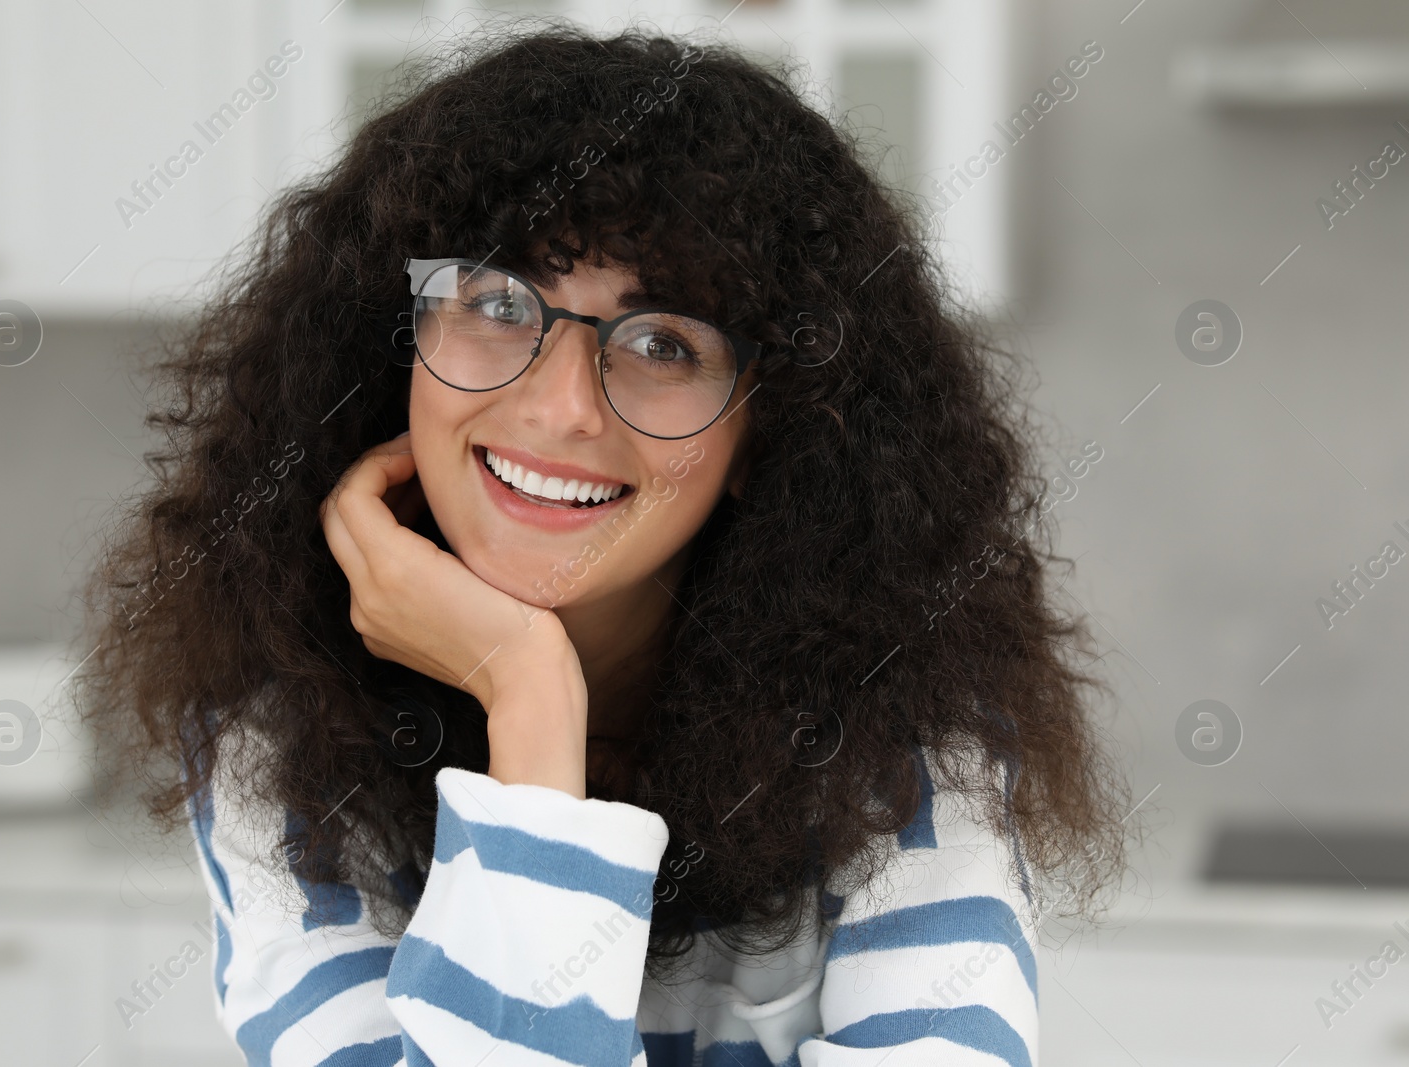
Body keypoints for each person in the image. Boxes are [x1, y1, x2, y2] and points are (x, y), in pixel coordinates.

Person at [76, 22, 1131, 1067]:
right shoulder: (281, 735)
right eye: (495, 301)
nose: (563, 406)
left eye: (664, 342)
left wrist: (517, 685)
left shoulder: (909, 735)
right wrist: (530, 695)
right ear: (390, 348)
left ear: (773, 427)